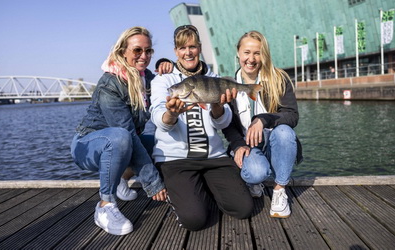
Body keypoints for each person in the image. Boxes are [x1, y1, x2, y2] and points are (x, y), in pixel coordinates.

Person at [150, 25, 254, 231]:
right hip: (176, 160)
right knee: (194, 220)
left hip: (213, 157)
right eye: (182, 48)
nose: (187, 52)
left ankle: (202, 187)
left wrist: (217, 106)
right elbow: (158, 119)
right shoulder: (163, 80)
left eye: (192, 47)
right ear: (175, 52)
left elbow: (223, 123)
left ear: (199, 48)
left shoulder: (214, 79)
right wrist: (171, 114)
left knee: (243, 209)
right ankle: (186, 192)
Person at [70, 26, 167, 236]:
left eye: (149, 51)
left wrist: (166, 66)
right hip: (87, 146)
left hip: (121, 144)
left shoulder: (146, 78)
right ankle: (105, 206)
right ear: (123, 51)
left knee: (160, 142)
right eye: (137, 50)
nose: (144, 56)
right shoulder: (110, 83)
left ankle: (120, 178)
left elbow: (173, 86)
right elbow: (128, 134)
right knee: (121, 137)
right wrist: (153, 182)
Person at [222, 30, 303, 218]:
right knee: (256, 172)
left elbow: (292, 115)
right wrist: (237, 144)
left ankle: (279, 190)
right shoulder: (229, 84)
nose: (251, 59)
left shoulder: (278, 78)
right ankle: (255, 179)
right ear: (238, 53)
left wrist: (263, 119)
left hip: (275, 141)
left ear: (264, 55)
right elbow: (227, 125)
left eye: (257, 53)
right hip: (249, 145)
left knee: (284, 131)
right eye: (246, 52)